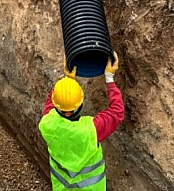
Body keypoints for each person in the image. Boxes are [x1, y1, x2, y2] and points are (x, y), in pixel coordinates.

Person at [38, 53, 124, 190]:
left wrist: (68, 80)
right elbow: (117, 112)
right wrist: (109, 78)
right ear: (80, 104)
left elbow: (53, 100)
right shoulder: (91, 130)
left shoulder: (47, 124)